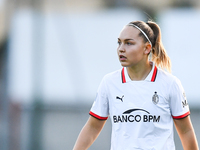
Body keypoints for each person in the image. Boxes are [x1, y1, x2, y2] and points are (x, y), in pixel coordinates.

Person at [73, 20, 199, 150]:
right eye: (119, 42)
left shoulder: (170, 84)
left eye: (129, 43)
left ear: (147, 48)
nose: (121, 48)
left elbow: (186, 131)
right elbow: (93, 127)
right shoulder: (109, 82)